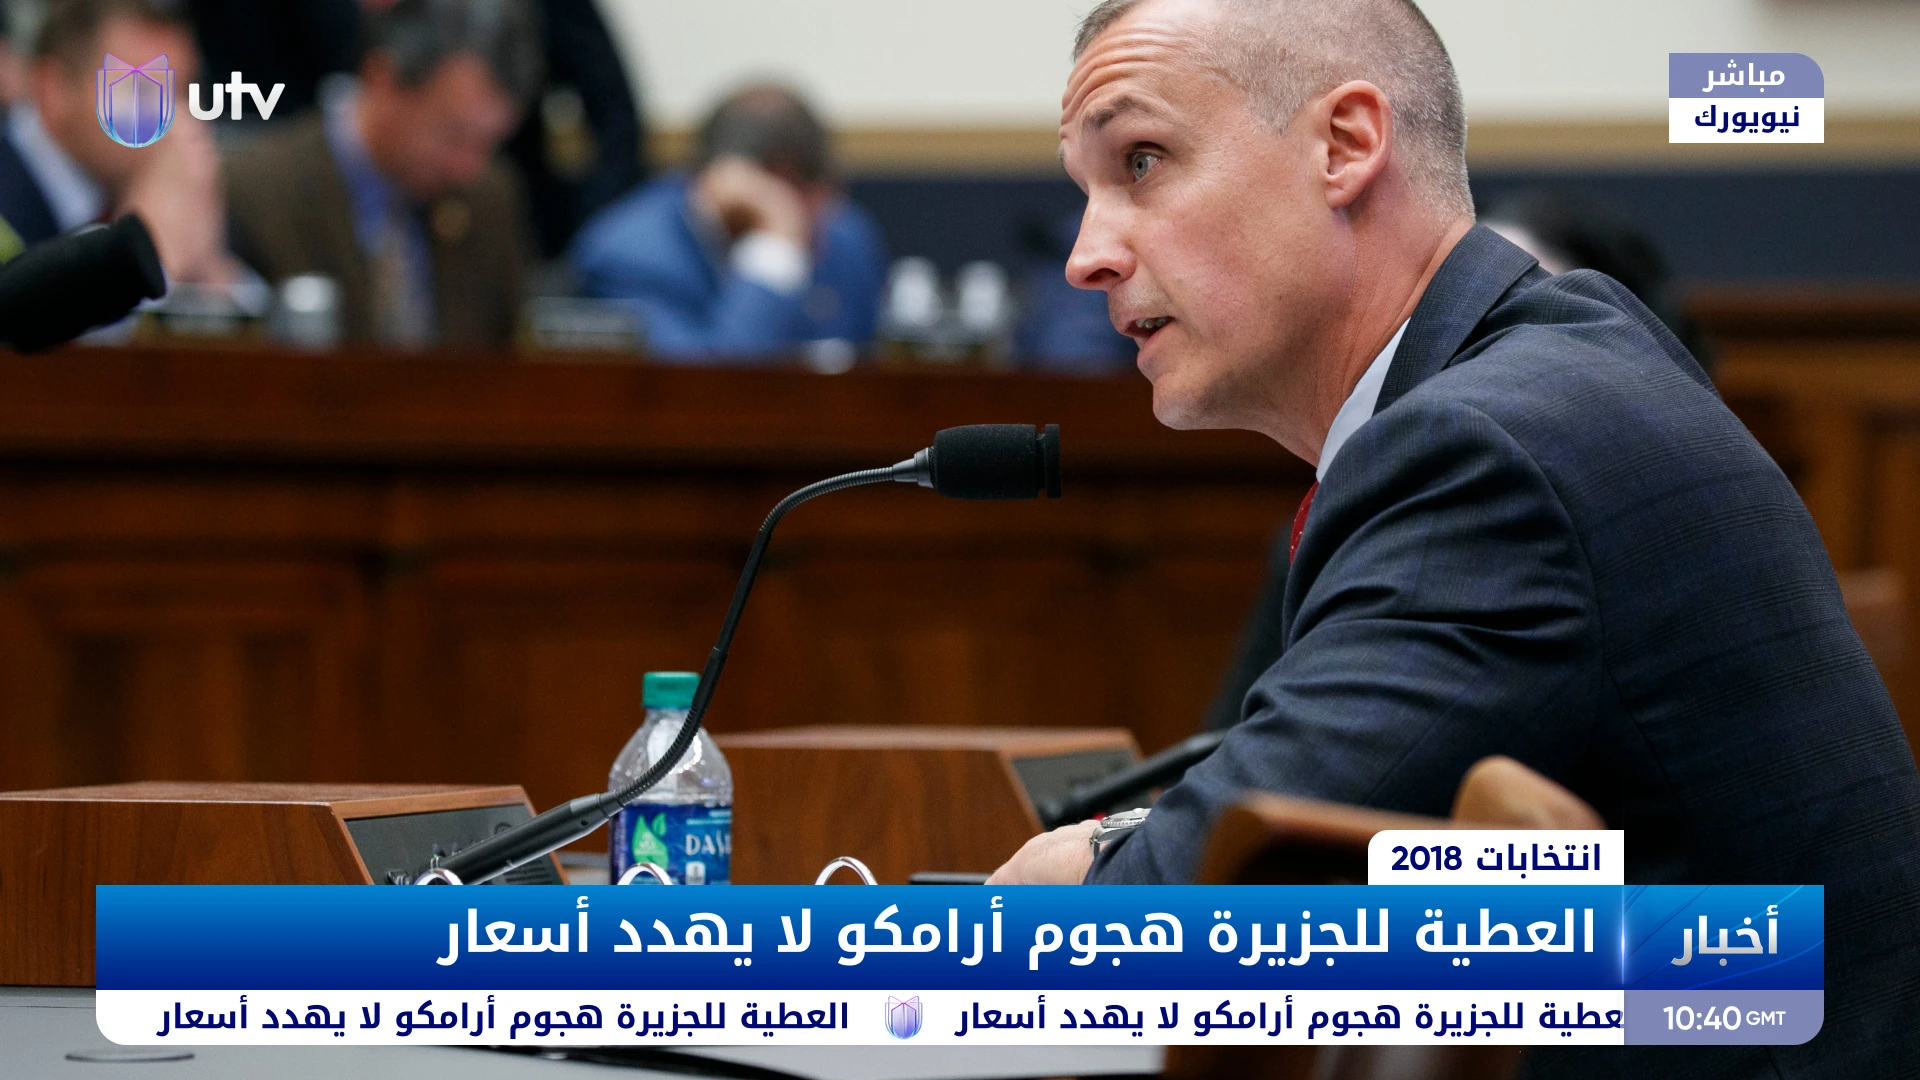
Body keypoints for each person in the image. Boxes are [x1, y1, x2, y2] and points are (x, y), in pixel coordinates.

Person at [988, 0, 1920, 1074]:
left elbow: (1188, 921)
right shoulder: (1553, 362)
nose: (1087, 256)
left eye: (1143, 161)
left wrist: (1083, 876)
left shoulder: (1486, 449)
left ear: (1344, 147)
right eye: (1085, 191)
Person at [223, 0, 540, 348]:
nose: (467, 167)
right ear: (382, 78)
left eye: (488, 143)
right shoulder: (256, 190)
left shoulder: (489, 198)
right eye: (452, 134)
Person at [569, 83, 886, 363]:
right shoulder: (628, 257)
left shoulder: (843, 236)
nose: (814, 218)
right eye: (799, 193)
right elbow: (711, 393)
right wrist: (772, 251)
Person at [0, 0, 242, 284]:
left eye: (185, 92)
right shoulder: (8, 213)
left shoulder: (170, 187)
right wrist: (152, 260)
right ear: (53, 89)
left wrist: (209, 268)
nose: (176, 119)